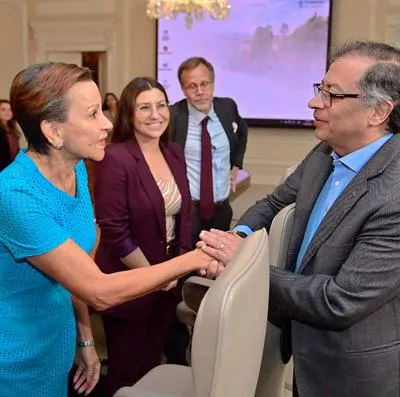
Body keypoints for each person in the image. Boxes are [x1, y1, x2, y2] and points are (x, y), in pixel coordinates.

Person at [199, 41, 400, 397]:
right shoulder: (325, 152)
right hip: (304, 356)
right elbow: (273, 203)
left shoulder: (394, 193)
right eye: (318, 89)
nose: (314, 102)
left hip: (355, 374)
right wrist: (240, 236)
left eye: (332, 95)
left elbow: (340, 301)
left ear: (379, 112)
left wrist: (244, 263)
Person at [0, 63, 214, 397]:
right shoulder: (15, 195)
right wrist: (197, 258)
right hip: (15, 359)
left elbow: (78, 265)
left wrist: (85, 338)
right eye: (92, 114)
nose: (107, 123)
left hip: (58, 340)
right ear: (53, 131)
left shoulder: (77, 172)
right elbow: (98, 288)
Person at [93, 77, 193, 396]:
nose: (156, 114)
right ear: (129, 114)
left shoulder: (174, 152)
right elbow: (114, 230)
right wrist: (154, 275)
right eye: (145, 107)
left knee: (152, 363)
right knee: (125, 371)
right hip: (129, 278)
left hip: (167, 280)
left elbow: (184, 216)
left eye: (161, 105)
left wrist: (175, 270)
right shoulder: (115, 158)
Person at [171, 56, 248, 246]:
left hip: (222, 208)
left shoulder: (227, 107)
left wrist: (236, 164)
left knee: (218, 266)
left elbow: (242, 131)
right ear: (183, 90)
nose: (200, 92)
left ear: (213, 83)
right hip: (189, 211)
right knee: (187, 266)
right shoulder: (174, 116)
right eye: (192, 86)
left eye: (205, 84)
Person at [0, 99, 20, 164]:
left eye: (10, 110)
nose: (7, 112)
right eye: (3, 110)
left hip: (12, 166)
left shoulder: (12, 129)